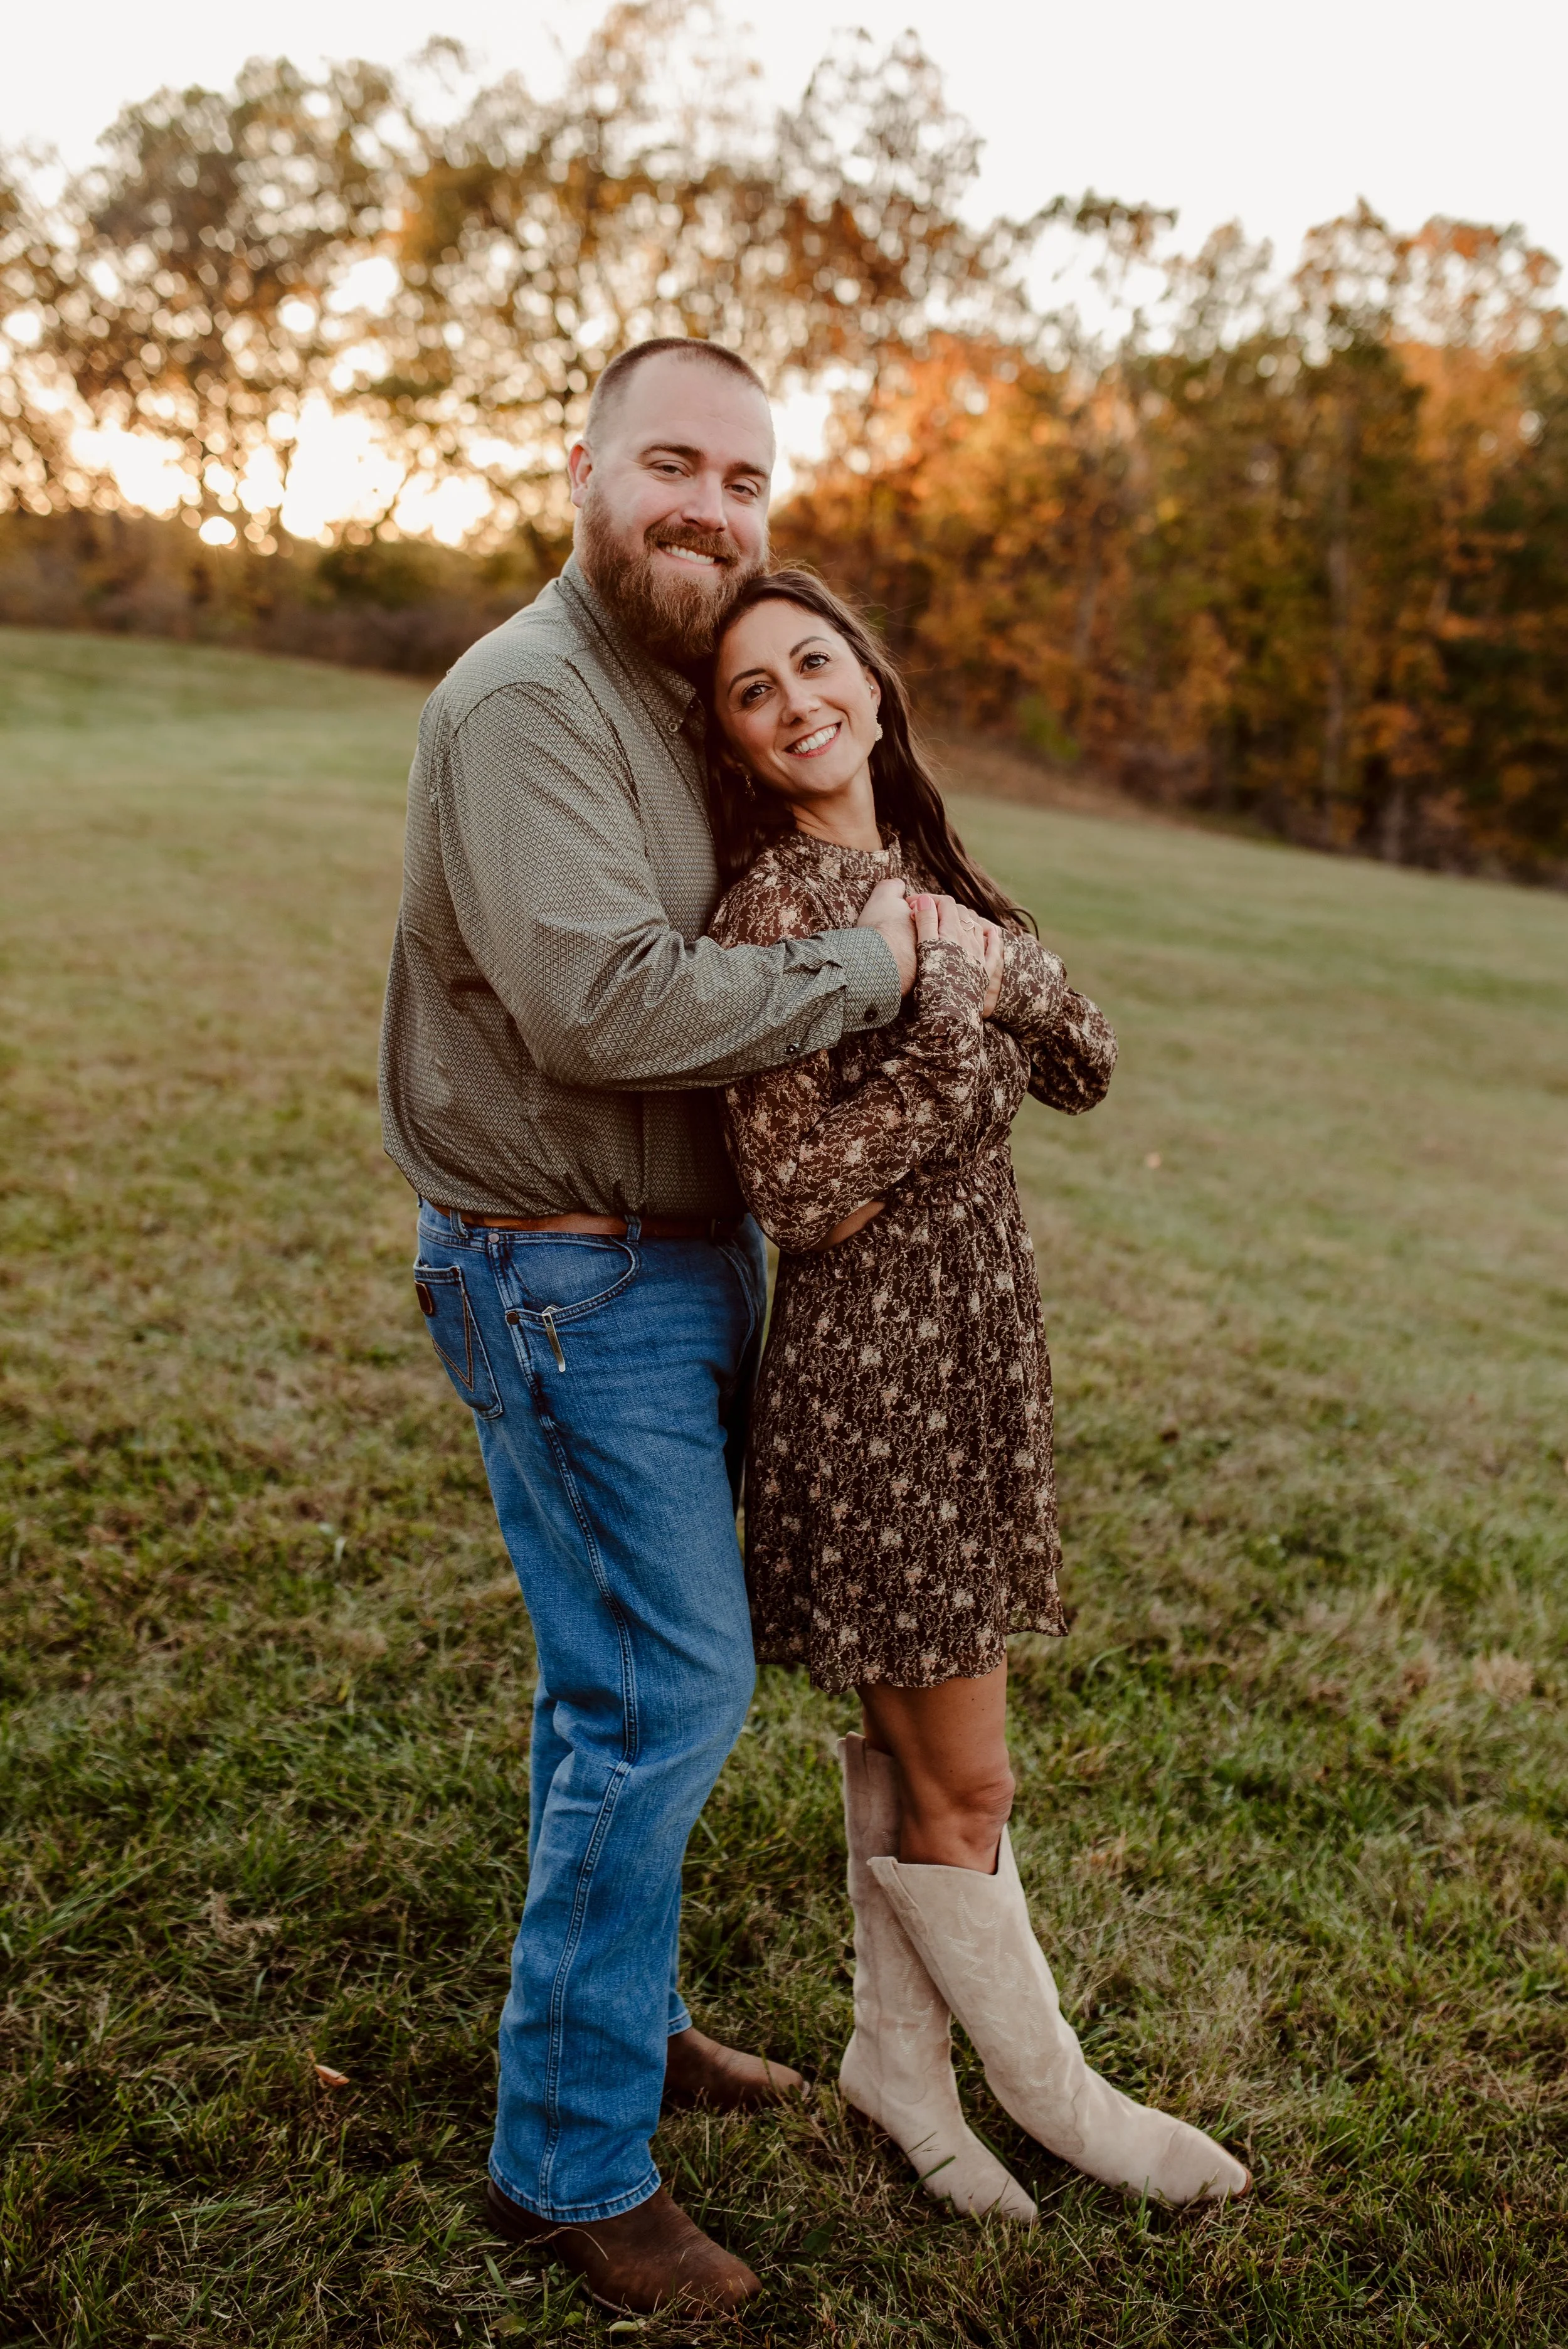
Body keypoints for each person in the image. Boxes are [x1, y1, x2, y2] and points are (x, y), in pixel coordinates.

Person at [378, 342, 928, 2317]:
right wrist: (865, 979)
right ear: (588, 469)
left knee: (609, 1685)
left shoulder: (655, 682)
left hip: (671, 1259)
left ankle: (624, 2021)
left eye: (748, 482)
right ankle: (567, 2161)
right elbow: (598, 1006)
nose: (714, 508)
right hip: (565, 1269)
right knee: (665, 1696)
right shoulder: (529, 699)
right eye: (675, 467)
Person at [706, 570, 1251, 2220]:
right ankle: (1053, 2091)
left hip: (974, 1361)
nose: (796, 698)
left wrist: (971, 956)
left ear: (870, 678)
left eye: (816, 661)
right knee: (967, 1777)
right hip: (873, 1387)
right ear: (733, 739)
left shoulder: (935, 875)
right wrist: (950, 1011)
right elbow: (802, 1192)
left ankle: (899, 2066)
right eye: (751, 689)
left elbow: (1084, 1055)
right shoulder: (769, 915)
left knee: (902, 1750)